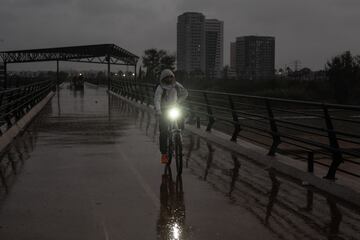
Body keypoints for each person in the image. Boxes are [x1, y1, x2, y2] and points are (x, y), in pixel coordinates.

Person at [154, 69, 188, 164]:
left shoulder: (176, 85)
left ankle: (179, 142)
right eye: (167, 77)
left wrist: (179, 101)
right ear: (163, 78)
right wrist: (158, 110)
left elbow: (185, 93)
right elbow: (157, 99)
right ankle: (164, 154)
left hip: (174, 108)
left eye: (170, 76)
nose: (169, 78)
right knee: (164, 132)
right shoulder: (160, 88)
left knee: (181, 122)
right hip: (164, 110)